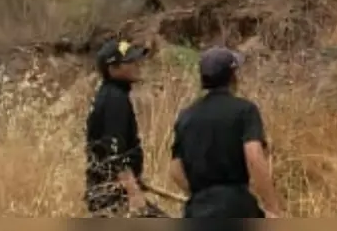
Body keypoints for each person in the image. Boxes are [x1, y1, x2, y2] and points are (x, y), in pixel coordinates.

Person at [169, 46, 285, 218]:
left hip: (197, 210)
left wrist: (200, 197)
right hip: (236, 206)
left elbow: (175, 170)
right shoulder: (245, 110)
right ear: (232, 76)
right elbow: (254, 155)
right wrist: (272, 208)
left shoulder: (186, 116)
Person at [84, 38, 163, 217]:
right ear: (113, 69)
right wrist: (132, 190)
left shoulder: (110, 95)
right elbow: (113, 150)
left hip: (110, 193)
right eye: (130, 62)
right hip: (114, 196)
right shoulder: (114, 100)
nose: (137, 64)